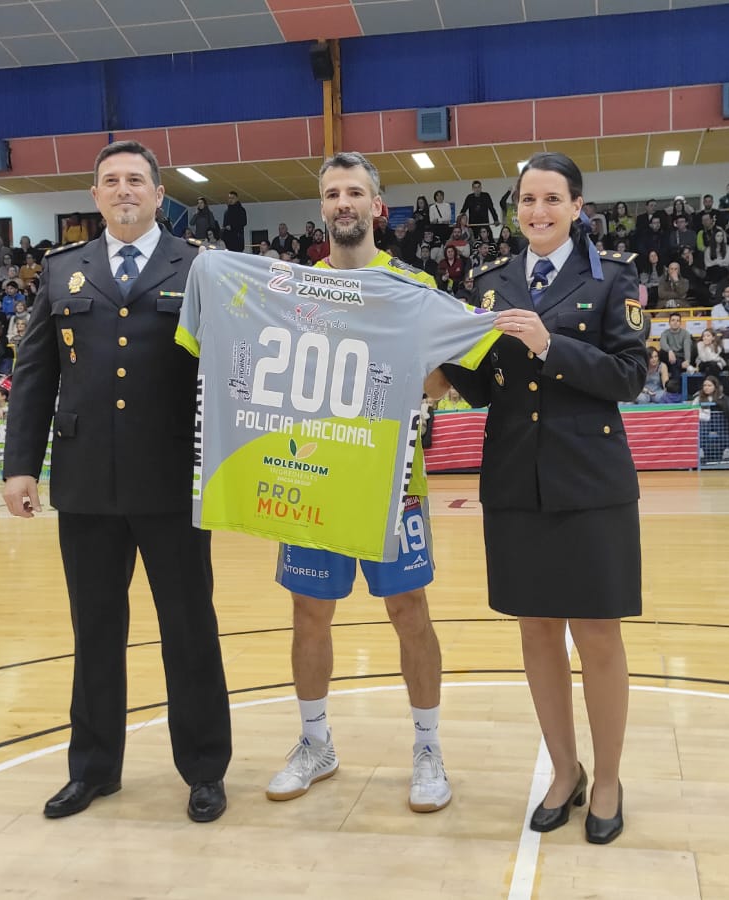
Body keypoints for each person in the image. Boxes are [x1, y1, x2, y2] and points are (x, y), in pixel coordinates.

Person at [0, 141, 232, 824]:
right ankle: (95, 769)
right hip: (87, 487)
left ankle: (205, 770)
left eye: (136, 180)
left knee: (189, 630)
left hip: (173, 483)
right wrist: (20, 465)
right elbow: (36, 374)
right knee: (95, 631)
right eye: (111, 181)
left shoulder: (201, 269)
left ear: (161, 195)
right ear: (95, 197)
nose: (124, 190)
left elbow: (230, 370)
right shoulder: (60, 272)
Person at [442, 152, 647, 846]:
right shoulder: (489, 282)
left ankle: (610, 777)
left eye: (551, 199)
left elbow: (630, 375)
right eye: (527, 200)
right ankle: (565, 771)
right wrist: (439, 360)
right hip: (513, 480)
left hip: (590, 484)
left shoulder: (614, 276)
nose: (537, 211)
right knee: (535, 632)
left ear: (577, 205)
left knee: (597, 635)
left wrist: (549, 343)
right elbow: (481, 388)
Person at [264, 153, 457, 815]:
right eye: (332, 194)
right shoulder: (290, 286)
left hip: (393, 481)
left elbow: (442, 378)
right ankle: (316, 743)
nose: (343, 202)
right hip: (312, 474)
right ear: (322, 208)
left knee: (409, 613)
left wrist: (390, 374)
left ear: (378, 206)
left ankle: (428, 748)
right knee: (308, 612)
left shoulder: (412, 283)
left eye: (356, 192)